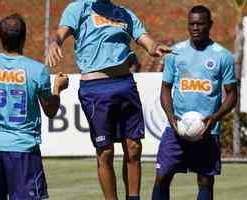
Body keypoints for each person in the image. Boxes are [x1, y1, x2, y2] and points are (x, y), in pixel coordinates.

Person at [47, 1, 171, 199]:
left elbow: (145, 40)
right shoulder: (79, 8)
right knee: (105, 152)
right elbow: (61, 33)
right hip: (95, 90)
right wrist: (55, 42)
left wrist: (154, 47)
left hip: (125, 84)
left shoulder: (125, 13)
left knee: (133, 148)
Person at [0, 13, 68, 200]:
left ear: (0, 37)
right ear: (24, 38)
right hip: (24, 150)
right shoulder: (38, 70)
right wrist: (58, 88)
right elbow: (51, 111)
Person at [152, 5, 237, 200]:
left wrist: (214, 118)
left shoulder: (222, 55)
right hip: (176, 128)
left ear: (210, 25)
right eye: (192, 24)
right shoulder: (176, 53)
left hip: (208, 130)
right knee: (162, 176)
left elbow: (232, 95)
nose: (196, 28)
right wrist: (171, 117)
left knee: (205, 181)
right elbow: (165, 88)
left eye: (200, 24)